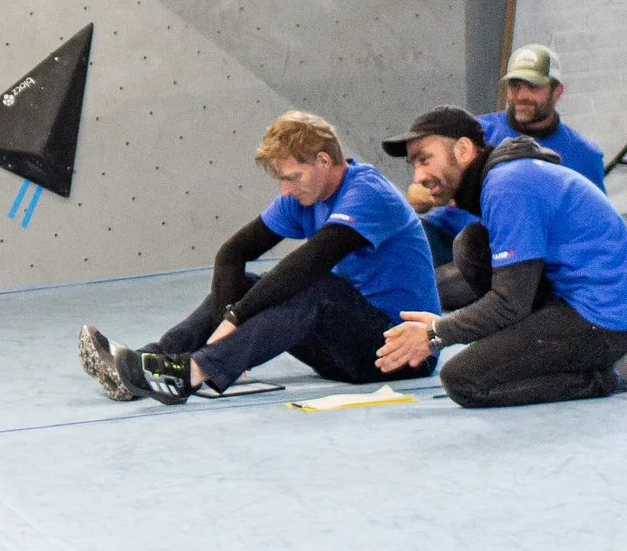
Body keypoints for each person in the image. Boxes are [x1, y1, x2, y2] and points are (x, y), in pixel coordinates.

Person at [79, 109, 438, 405]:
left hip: (404, 353)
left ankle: (190, 373)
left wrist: (235, 319)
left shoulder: (368, 193)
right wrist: (225, 320)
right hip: (349, 347)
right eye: (281, 179)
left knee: (313, 287)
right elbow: (233, 253)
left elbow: (309, 263)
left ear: (324, 161)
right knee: (250, 284)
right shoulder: (304, 195)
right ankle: (147, 362)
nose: (286, 190)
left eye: (293, 177)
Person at [377, 109, 627, 407]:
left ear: (463, 150)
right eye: (414, 164)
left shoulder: (508, 184)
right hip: (575, 300)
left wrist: (436, 333)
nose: (418, 177)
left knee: (464, 380)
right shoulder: (505, 177)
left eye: (425, 160)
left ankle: (604, 377)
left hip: (605, 319)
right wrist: (451, 327)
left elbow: (510, 302)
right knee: (472, 244)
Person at [413, 44, 609, 299]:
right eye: (515, 86)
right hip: (443, 234)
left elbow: (591, 230)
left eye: (533, 87)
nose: (522, 95)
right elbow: (420, 192)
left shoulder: (584, 156)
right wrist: (429, 194)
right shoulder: (474, 132)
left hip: (502, 255)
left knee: (424, 291)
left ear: (557, 91)